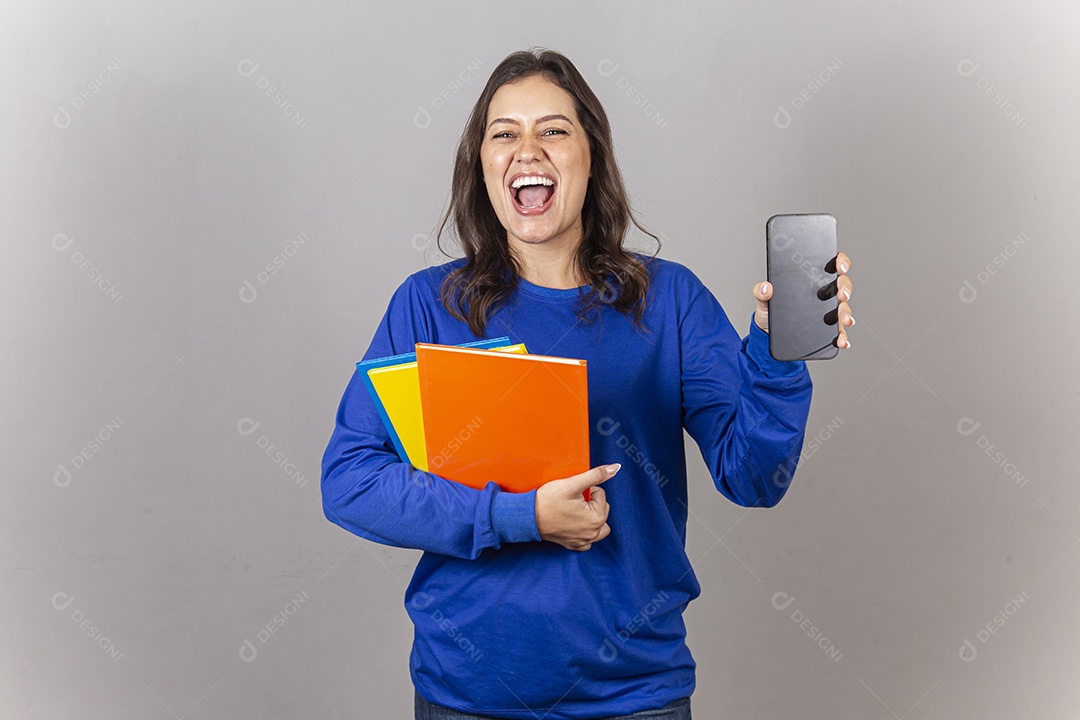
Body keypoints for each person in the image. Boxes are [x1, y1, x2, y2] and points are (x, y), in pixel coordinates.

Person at [321, 47, 854, 720]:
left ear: (591, 154)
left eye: (553, 130)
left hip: (634, 695)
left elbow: (755, 478)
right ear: (481, 164)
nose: (527, 149)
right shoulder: (429, 306)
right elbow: (351, 483)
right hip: (466, 695)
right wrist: (521, 517)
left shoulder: (670, 302)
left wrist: (778, 356)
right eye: (504, 133)